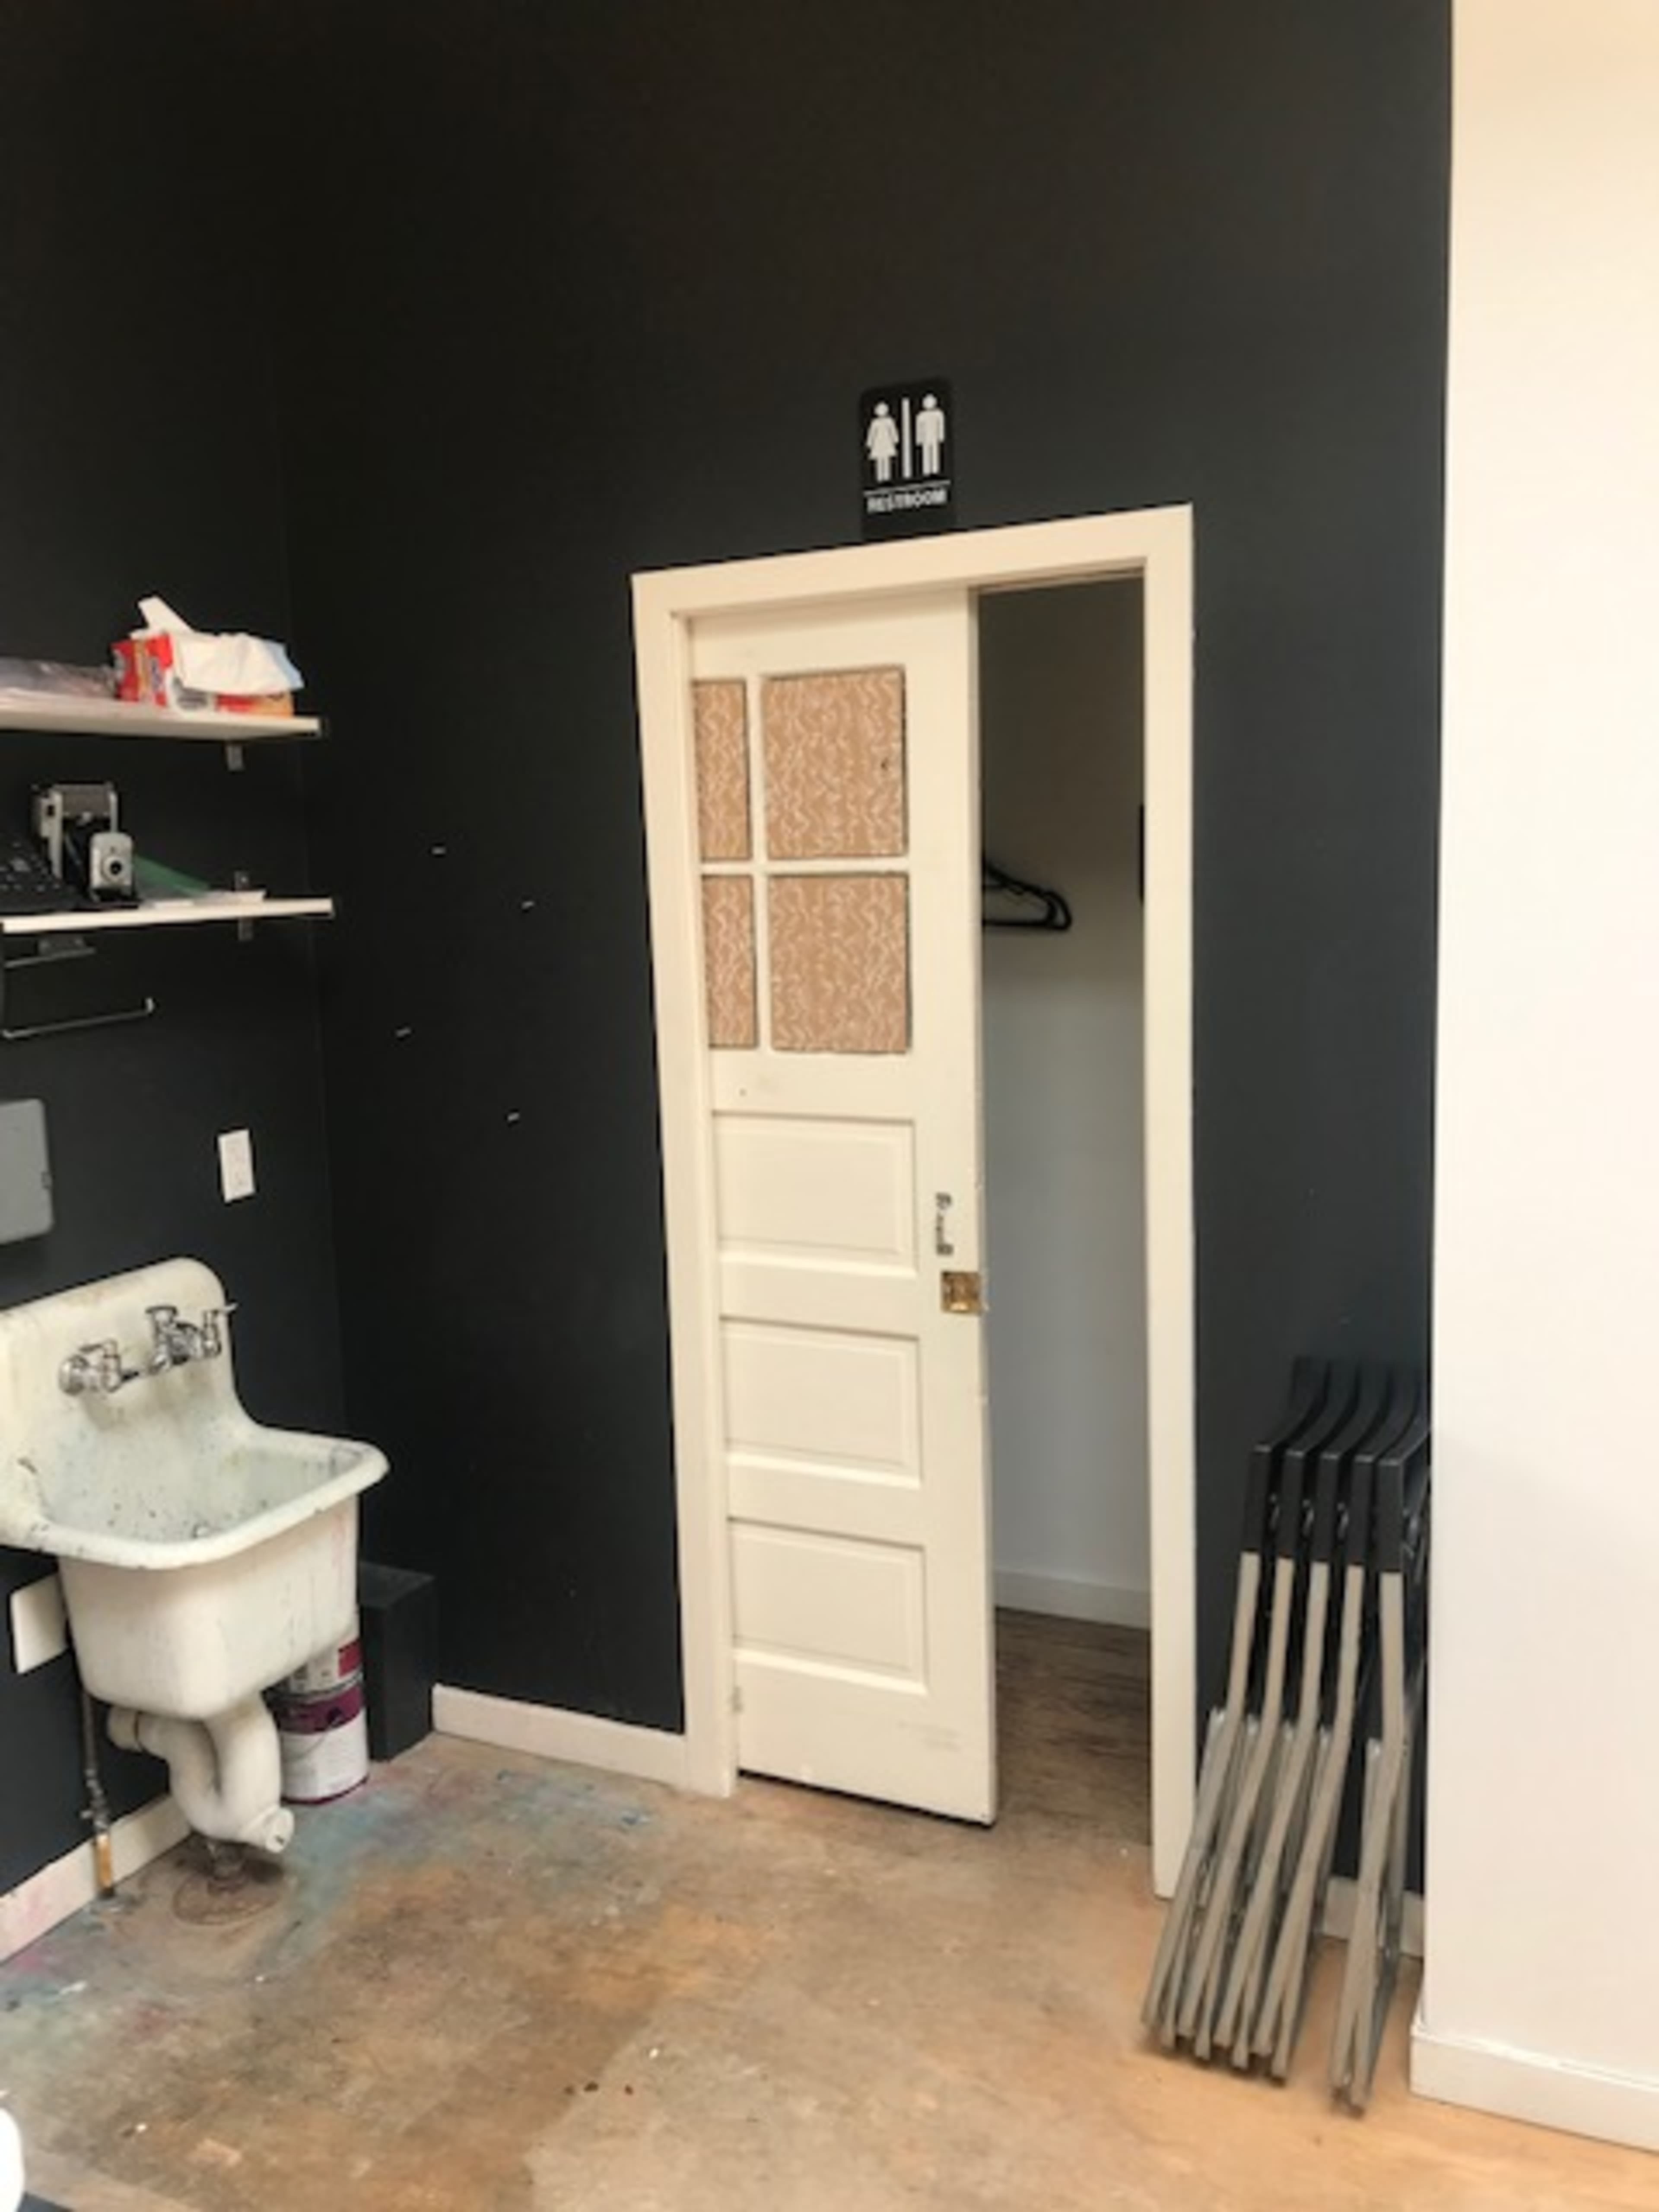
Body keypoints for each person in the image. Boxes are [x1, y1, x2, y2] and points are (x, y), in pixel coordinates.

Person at [866, 401, 900, 484]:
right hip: (879, 443)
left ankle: (886, 478)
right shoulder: (875, 422)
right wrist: (870, 443)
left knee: (886, 461)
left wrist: (896, 440)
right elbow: (872, 433)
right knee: (880, 461)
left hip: (886, 442)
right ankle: (880, 478)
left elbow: (893, 431)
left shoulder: (889, 421)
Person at [916, 392, 947, 475]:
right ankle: (926, 470)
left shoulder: (939, 414)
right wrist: (919, 439)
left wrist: (941, 436)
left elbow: (941, 426)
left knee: (935, 453)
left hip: (934, 437)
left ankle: (935, 470)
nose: (929, 404)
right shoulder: (921, 416)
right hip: (926, 437)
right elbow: (919, 428)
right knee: (926, 454)